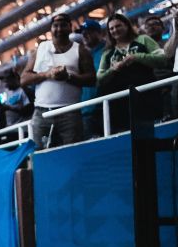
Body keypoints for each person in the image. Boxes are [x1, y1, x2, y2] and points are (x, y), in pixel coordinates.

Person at [22, 11, 96, 149]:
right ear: (51, 29)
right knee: (38, 153)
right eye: (55, 25)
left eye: (63, 25)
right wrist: (47, 75)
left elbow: (92, 79)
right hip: (41, 112)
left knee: (73, 151)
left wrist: (68, 76)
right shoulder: (40, 49)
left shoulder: (80, 50)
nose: (59, 29)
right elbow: (24, 79)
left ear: (70, 27)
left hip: (70, 111)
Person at [96, 12, 168, 130]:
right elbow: (100, 78)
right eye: (111, 28)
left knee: (155, 130)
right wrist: (113, 69)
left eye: (118, 26)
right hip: (121, 104)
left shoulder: (143, 39)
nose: (115, 30)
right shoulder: (107, 52)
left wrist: (136, 57)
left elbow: (162, 59)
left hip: (148, 95)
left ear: (127, 25)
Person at [78, 19, 107, 136]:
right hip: (86, 111)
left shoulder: (108, 50)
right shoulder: (82, 56)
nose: (84, 35)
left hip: (106, 107)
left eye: (89, 31)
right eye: (83, 32)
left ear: (99, 33)